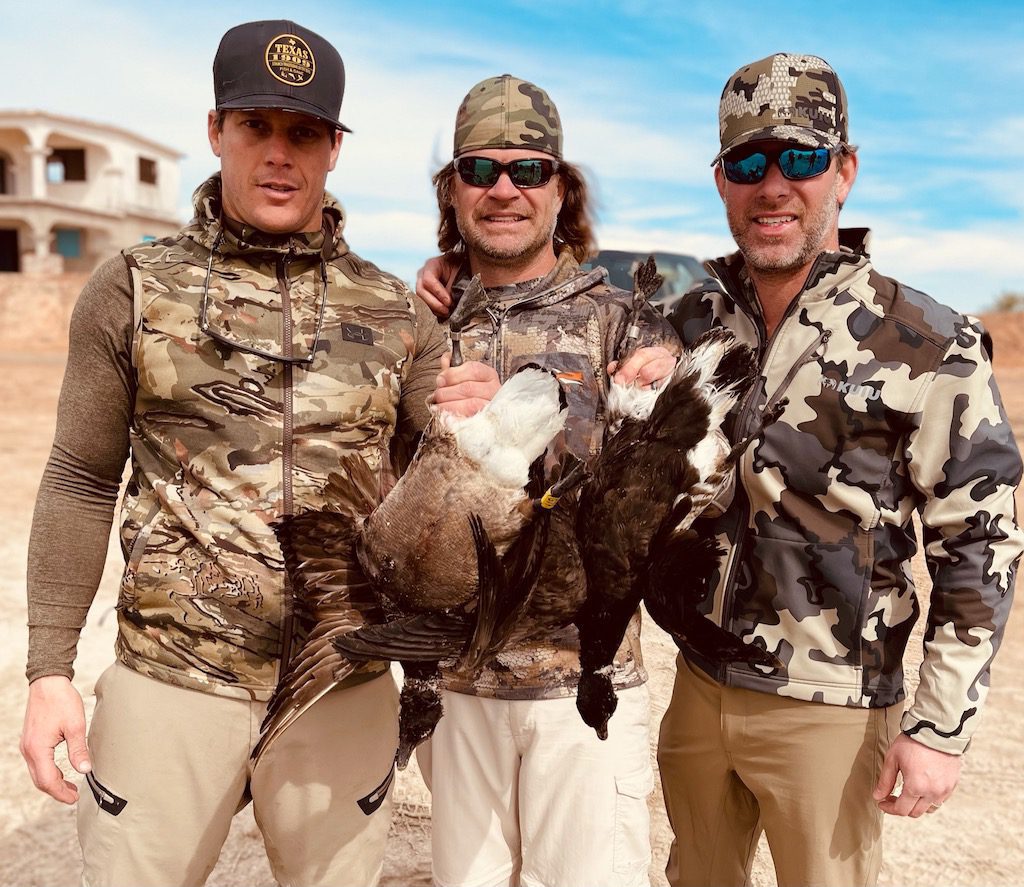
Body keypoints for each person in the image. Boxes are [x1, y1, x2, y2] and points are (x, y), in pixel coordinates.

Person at [20, 19, 446, 887]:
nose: (278, 155)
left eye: (303, 133)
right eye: (256, 125)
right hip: (172, 681)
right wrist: (49, 669)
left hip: (342, 687)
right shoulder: (133, 288)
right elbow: (78, 476)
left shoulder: (398, 312)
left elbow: (434, 498)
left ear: (334, 148)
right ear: (216, 131)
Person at [658, 52, 1024, 887]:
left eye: (804, 157)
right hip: (698, 688)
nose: (775, 184)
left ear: (845, 171)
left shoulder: (929, 342)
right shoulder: (687, 324)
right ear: (723, 181)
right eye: (750, 162)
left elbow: (981, 539)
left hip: (831, 708)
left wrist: (940, 725)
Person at [415, 74, 678, 887]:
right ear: (452, 189)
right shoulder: (418, 320)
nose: (504, 189)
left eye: (529, 170)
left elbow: (665, 492)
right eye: (480, 169)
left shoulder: (626, 320)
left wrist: (650, 394)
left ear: (561, 189)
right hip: (453, 688)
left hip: (582, 690)